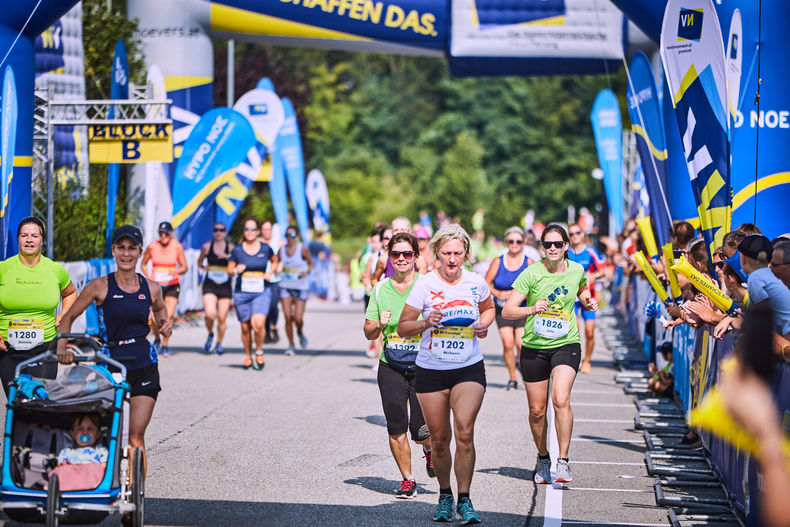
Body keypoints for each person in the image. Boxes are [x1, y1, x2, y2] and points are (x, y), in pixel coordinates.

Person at [398, 224, 494, 525]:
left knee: (464, 431)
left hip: (468, 367)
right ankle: (444, 495)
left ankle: (465, 499)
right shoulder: (425, 284)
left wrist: (484, 324)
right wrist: (426, 322)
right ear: (436, 253)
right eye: (446, 253)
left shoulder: (476, 282)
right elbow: (403, 326)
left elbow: (489, 309)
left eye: (457, 253)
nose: (452, 259)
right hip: (431, 370)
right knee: (439, 440)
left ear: (465, 253)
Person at [57, 225, 170, 481]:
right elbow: (69, 317)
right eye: (121, 248)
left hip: (143, 364)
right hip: (109, 365)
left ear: (140, 252)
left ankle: (133, 500)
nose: (126, 254)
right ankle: (92, 482)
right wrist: (62, 346)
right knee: (104, 433)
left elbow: (161, 311)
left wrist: (165, 325)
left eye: (132, 248)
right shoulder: (99, 285)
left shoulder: (151, 288)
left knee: (135, 437)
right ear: (114, 251)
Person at [503, 224, 597, 485]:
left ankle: (563, 461)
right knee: (536, 410)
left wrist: (588, 300)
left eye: (558, 244)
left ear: (567, 246)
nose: (553, 248)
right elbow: (507, 311)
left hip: (566, 342)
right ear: (541, 247)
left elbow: (582, 289)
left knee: (560, 398)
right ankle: (543, 458)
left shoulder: (577, 269)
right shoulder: (531, 273)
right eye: (548, 244)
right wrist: (531, 309)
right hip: (534, 346)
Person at [364, 232, 434, 499]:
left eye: (407, 254)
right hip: (390, 365)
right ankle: (408, 479)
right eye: (396, 254)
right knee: (396, 426)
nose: (402, 259)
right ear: (389, 257)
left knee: (419, 431)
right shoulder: (381, 289)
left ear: (416, 256)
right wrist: (380, 324)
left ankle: (428, 450)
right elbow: (368, 332)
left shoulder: (427, 286)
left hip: (424, 367)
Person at [0, 217, 78, 395]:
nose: (29, 240)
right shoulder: (3, 269)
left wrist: (64, 314)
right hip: (7, 348)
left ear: (42, 240)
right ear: (18, 239)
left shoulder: (55, 270)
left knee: (40, 401)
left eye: (34, 236)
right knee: (16, 401)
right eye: (24, 235)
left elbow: (71, 293)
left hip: (44, 347)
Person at [484, 227, 531, 390]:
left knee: (520, 343)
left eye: (518, 241)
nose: (514, 244)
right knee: (507, 342)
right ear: (506, 243)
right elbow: (486, 282)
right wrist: (498, 293)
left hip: (522, 308)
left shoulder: (529, 262)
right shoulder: (498, 261)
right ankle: (512, 376)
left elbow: (536, 287)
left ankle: (525, 372)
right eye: (511, 241)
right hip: (502, 309)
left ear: (524, 242)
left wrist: (517, 295)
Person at [228, 218, 278, 370]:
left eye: (253, 229)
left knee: (259, 324)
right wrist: (237, 270)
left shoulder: (265, 248)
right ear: (244, 232)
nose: (250, 232)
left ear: (257, 232)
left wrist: (270, 272)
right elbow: (229, 270)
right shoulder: (237, 250)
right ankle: (248, 355)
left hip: (261, 291)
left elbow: (275, 260)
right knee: (245, 327)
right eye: (247, 229)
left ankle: (259, 351)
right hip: (242, 293)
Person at [141, 221, 187, 358]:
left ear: (171, 234)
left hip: (172, 285)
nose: (163, 236)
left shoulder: (177, 247)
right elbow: (143, 263)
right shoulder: (152, 247)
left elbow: (185, 267)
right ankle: (157, 338)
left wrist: (177, 272)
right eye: (161, 233)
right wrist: (148, 276)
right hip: (156, 286)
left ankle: (166, 345)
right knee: (154, 319)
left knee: (169, 315)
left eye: (166, 233)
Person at [567, 223, 605, 374]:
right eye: (571, 234)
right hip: (571, 298)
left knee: (589, 331)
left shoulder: (591, 252)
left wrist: (594, 275)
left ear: (583, 234)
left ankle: (587, 360)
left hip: (589, 297)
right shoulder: (565, 252)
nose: (575, 236)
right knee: (574, 330)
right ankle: (578, 358)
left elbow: (604, 271)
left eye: (577, 232)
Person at [198, 222, 233, 355]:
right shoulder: (207, 247)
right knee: (209, 313)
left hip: (224, 285)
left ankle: (219, 343)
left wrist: (228, 258)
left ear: (225, 232)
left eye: (221, 230)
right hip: (210, 284)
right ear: (213, 232)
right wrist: (203, 266)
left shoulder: (231, 248)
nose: (218, 232)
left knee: (222, 317)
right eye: (216, 230)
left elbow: (237, 263)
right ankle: (211, 333)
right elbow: (200, 261)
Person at [278, 225, 314, 356]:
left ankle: (300, 331)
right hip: (285, 286)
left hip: (300, 286)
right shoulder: (281, 250)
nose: (290, 238)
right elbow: (275, 263)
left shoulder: (302, 249)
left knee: (297, 318)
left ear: (297, 236)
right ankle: (291, 345)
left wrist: (307, 271)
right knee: (288, 317)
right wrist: (276, 269)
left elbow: (311, 263)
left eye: (292, 235)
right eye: (287, 235)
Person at [261, 221, 282, 344]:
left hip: (274, 279)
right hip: (261, 279)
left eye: (269, 229)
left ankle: (274, 325)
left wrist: (279, 266)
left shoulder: (277, 243)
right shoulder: (258, 243)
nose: (266, 232)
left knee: (273, 305)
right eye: (264, 229)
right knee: (265, 306)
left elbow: (281, 257)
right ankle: (267, 331)